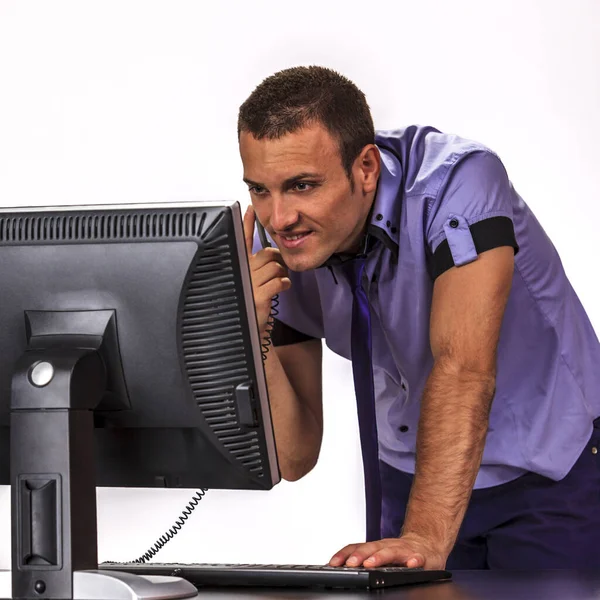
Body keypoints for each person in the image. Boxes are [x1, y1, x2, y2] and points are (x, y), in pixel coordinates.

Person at [237, 65, 600, 570]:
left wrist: (426, 537)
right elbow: (295, 456)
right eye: (260, 189)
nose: (279, 218)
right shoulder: (277, 244)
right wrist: (248, 336)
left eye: (302, 185)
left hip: (546, 473)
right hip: (415, 476)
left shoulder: (460, 186)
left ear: (366, 168)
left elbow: (463, 370)